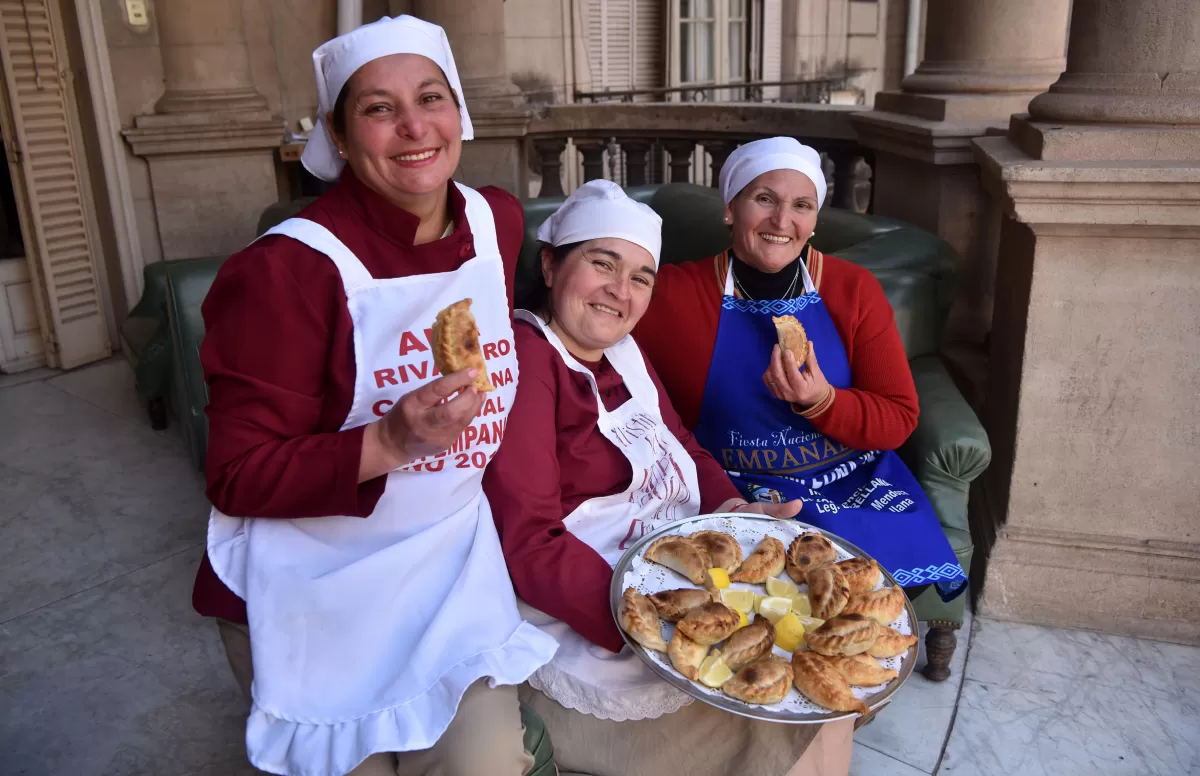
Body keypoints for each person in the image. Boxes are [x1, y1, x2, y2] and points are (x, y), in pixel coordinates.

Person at [191, 16, 557, 776]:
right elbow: (236, 476)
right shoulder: (287, 271)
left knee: (483, 767)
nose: (414, 126)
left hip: (448, 566)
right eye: (379, 108)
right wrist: (389, 443)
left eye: (432, 98)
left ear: (459, 112)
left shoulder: (498, 224)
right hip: (314, 584)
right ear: (339, 134)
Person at [484, 180, 852, 776]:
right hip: (589, 617)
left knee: (814, 678)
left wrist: (735, 506)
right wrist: (652, 621)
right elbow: (528, 544)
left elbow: (678, 445)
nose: (618, 292)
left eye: (639, 277)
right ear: (550, 264)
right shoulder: (529, 363)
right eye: (601, 264)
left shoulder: (623, 349)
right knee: (788, 711)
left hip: (675, 574)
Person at [634, 136, 967, 599]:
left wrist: (821, 400)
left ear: (814, 222)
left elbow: (898, 420)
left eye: (802, 205)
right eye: (764, 199)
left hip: (849, 486)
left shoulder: (853, 290)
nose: (781, 221)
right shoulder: (671, 294)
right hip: (730, 489)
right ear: (731, 207)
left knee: (849, 611)